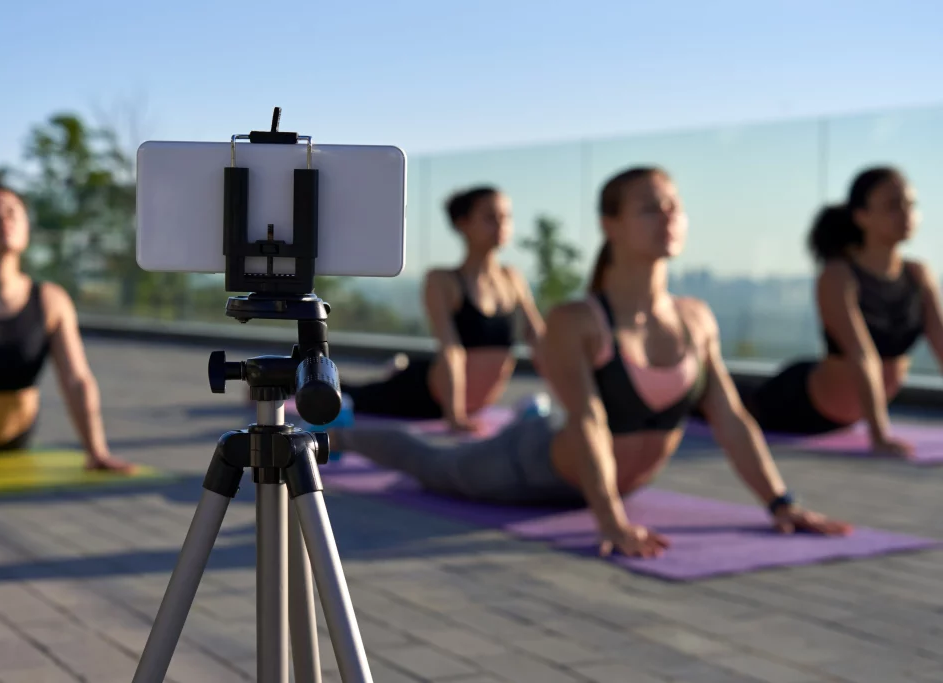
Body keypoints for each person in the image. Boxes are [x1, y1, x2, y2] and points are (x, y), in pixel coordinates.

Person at [306, 167, 852, 558]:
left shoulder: (698, 318)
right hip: (529, 470)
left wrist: (783, 502)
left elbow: (732, 421)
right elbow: (590, 421)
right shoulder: (582, 319)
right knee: (429, 463)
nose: (667, 215)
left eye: (674, 206)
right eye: (648, 206)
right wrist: (612, 522)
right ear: (609, 225)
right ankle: (340, 434)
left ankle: (528, 417)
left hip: (605, 478)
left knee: (529, 420)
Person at [0, 178, 134, 487]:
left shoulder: (51, 300)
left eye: (12, 213)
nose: (3, 220)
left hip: (13, 444)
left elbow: (76, 380)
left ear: (27, 230)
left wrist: (96, 452)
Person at [743, 167, 943, 457]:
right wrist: (879, 435)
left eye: (911, 204)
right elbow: (862, 356)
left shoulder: (918, 274)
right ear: (861, 216)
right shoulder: (839, 276)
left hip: (847, 416)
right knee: (711, 405)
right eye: (892, 205)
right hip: (800, 403)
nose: (906, 213)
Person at [338, 186, 546, 431]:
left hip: (474, 406)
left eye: (506, 217)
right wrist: (454, 416)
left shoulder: (513, 278)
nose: (501, 225)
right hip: (423, 395)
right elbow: (451, 350)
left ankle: (396, 368)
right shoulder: (442, 281)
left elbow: (541, 342)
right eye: (490, 217)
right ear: (463, 224)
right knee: (346, 394)